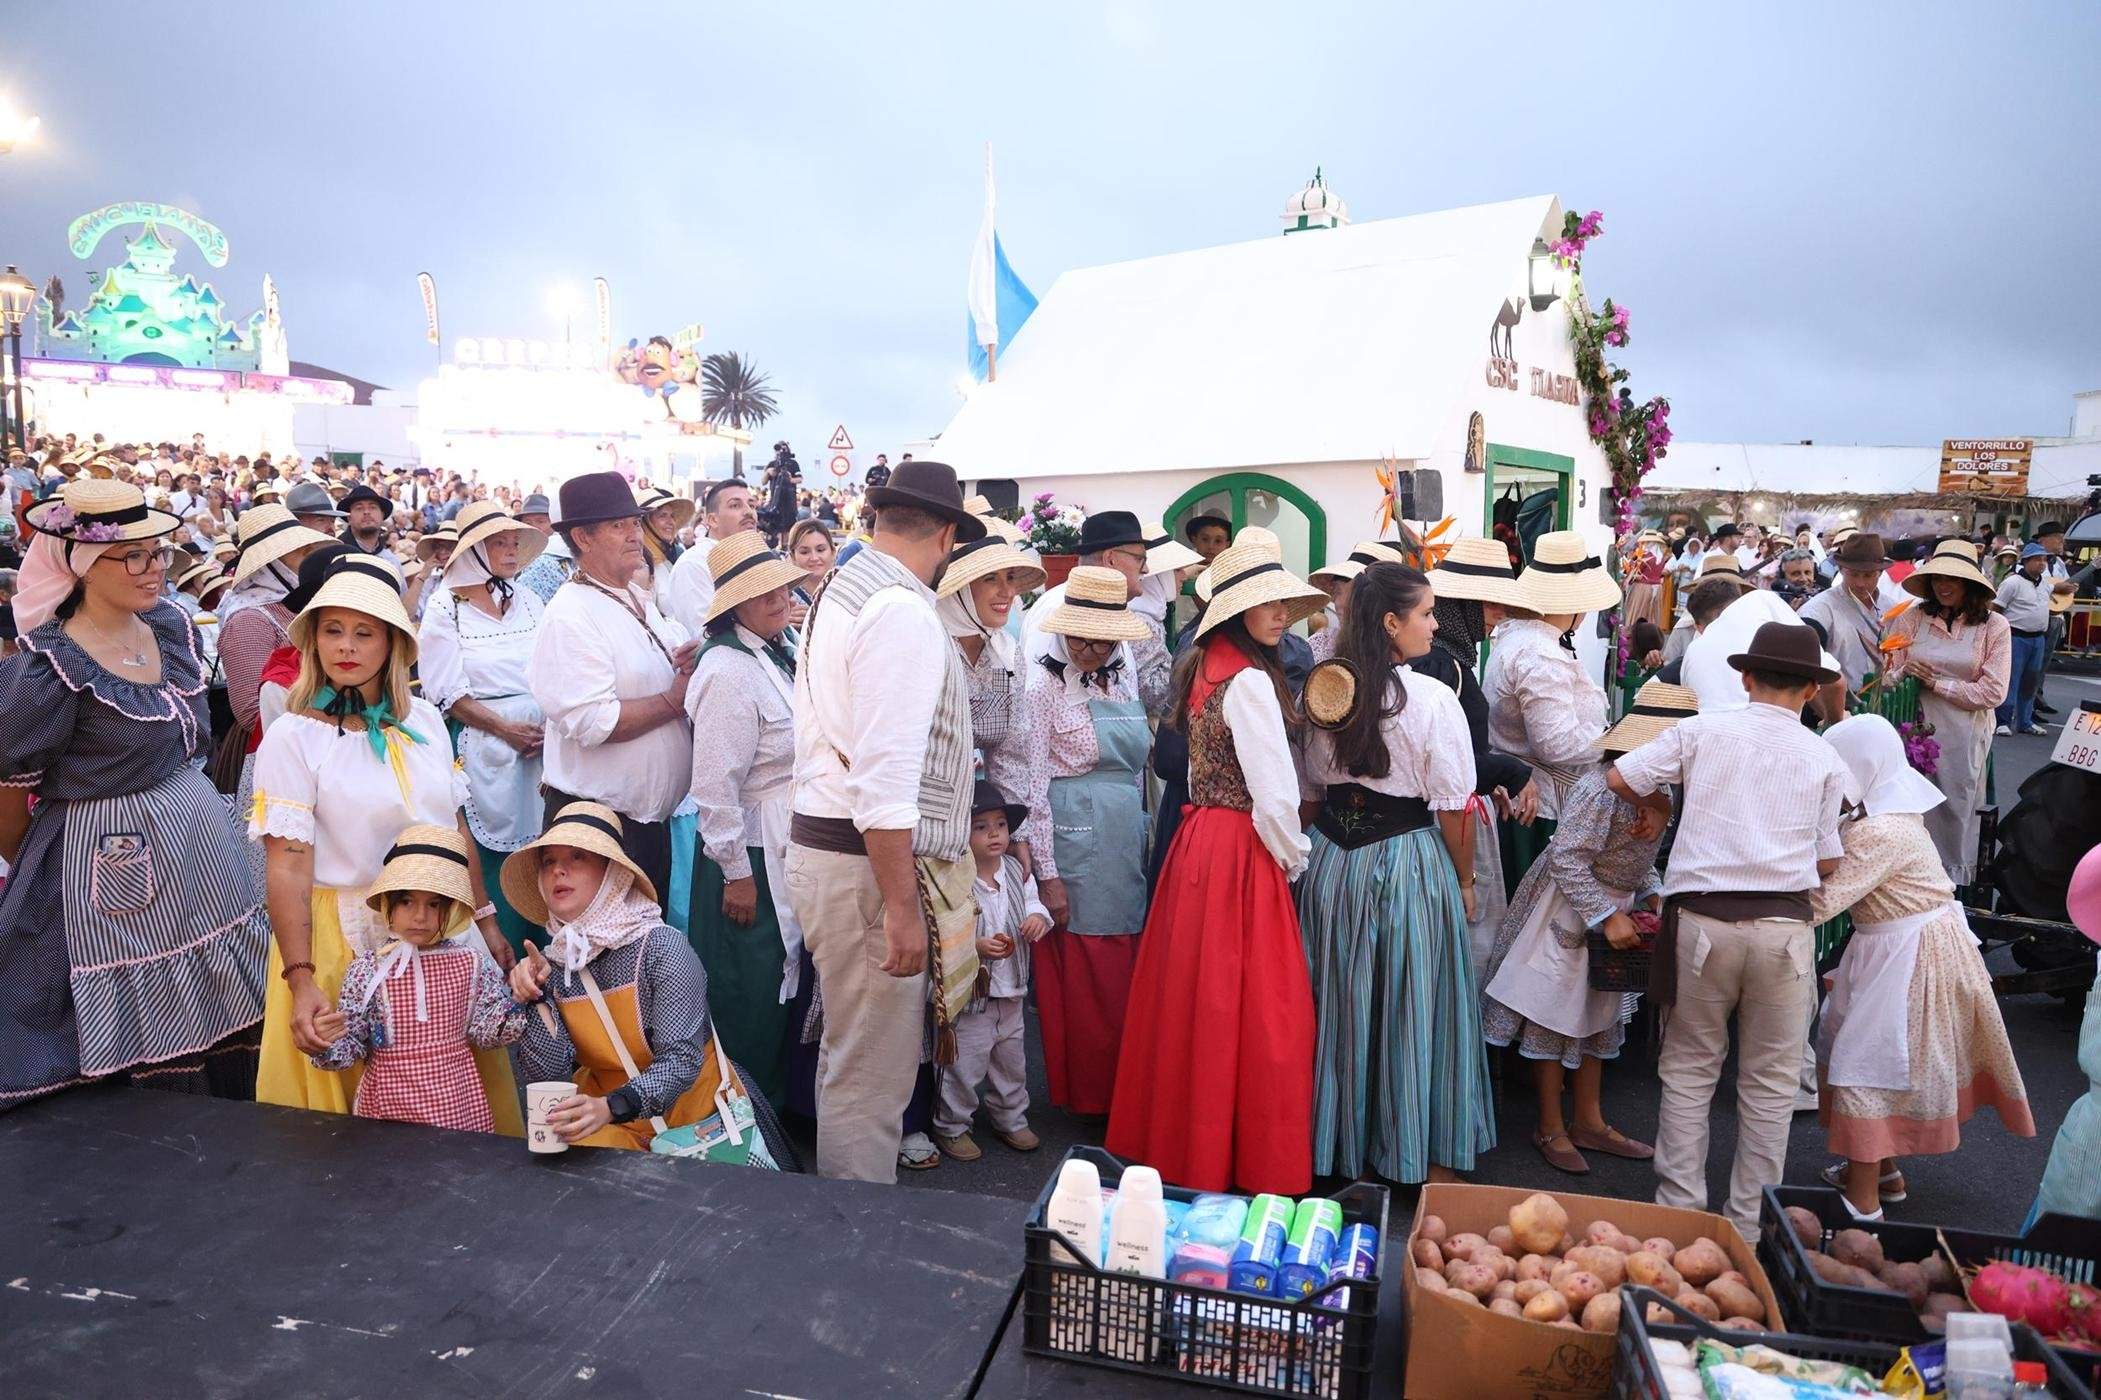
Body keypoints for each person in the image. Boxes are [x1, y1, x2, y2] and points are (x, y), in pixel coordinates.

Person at [0, 480, 269, 1110]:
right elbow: (8, 802)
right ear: (84, 566)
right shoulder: (49, 668)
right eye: (136, 557)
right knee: (131, 1013)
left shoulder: (169, 628)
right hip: (112, 863)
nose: (155, 571)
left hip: (202, 851)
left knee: (220, 994)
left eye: (160, 554)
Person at [249, 550, 520, 1124]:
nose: (346, 647)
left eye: (364, 633)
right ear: (314, 641)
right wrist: (300, 979)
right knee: (350, 1115)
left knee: (451, 1102)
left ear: (392, 644)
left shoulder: (423, 721)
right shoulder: (293, 738)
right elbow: (288, 864)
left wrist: (487, 923)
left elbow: (456, 832)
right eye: (333, 631)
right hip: (339, 937)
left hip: (440, 928)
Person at [1608, 621, 1849, 1236]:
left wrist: (1665, 805)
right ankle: (1744, 1227)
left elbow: (1620, 776)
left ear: (1745, 678)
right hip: (1784, 929)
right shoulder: (1823, 755)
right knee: (1769, 1085)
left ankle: (1680, 1214)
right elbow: (1826, 860)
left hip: (1704, 922)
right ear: (1809, 690)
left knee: (1690, 1068)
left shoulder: (1702, 730)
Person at [786, 461, 984, 1184]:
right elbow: (884, 783)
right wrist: (901, 908)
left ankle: (847, 1235)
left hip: (836, 849)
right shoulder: (898, 608)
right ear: (946, 533)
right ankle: (852, 1250)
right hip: (863, 864)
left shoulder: (846, 583)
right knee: (870, 1079)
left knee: (855, 1063)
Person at [1107, 539, 1324, 1195]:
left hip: (1199, 844)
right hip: (1237, 849)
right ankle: (1244, 1158)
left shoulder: (1205, 664)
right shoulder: (1252, 680)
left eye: (1281, 599)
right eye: (1265, 601)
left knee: (1193, 1003)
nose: (1280, 611)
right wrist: (1291, 860)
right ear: (1236, 609)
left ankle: (1184, 1145)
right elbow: (1275, 792)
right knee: (1253, 1009)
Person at [1296, 563, 1488, 1184]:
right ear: (1391, 622)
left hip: (1332, 864)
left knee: (1338, 1004)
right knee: (1414, 1004)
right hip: (1406, 863)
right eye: (1427, 613)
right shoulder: (1432, 698)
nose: (1435, 625)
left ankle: (1335, 1146)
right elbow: (1455, 806)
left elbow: (1312, 794)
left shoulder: (1325, 689)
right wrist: (1466, 880)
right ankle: (1416, 1153)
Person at [1805, 716, 2034, 1220]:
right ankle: (1883, 1172)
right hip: (1904, 946)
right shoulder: (1894, 815)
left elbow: (1820, 903)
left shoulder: (1879, 832)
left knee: (1869, 1063)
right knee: (1872, 1052)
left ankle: (1862, 1209)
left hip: (1908, 956)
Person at [1483, 679, 1699, 1174]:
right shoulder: (1598, 788)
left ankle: (1590, 1121)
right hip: (1568, 910)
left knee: (1598, 1016)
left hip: (1612, 907)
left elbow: (1633, 859)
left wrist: (1652, 894)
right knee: (1554, 1015)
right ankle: (1550, 1124)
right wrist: (1606, 914)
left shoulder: (1657, 791)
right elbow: (1567, 859)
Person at [504, 802, 794, 1162]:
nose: (558, 871)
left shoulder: (662, 946)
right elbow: (547, 1076)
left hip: (696, 1125)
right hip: (614, 1125)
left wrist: (611, 1106)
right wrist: (536, 1000)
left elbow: (681, 1061)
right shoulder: (557, 962)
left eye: (577, 857)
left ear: (612, 873)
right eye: (548, 862)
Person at [1018, 566, 1156, 1119]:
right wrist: (1047, 873)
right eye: (1080, 637)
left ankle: (1124, 1086)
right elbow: (1030, 784)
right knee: (1088, 969)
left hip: (1123, 831)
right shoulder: (1042, 688)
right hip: (1073, 835)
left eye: (1102, 639)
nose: (1091, 649)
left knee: (1122, 964)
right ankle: (1093, 1095)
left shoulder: (1122, 678)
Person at [528, 470, 698, 903]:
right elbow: (593, 721)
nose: (634, 535)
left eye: (635, 523)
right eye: (619, 525)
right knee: (599, 958)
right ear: (583, 538)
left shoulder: (633, 597)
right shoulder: (569, 614)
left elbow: (675, 651)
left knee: (641, 958)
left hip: (642, 826)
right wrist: (672, 701)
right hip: (596, 830)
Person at [683, 531, 807, 1108]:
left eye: (781, 587)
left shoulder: (774, 651)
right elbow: (715, 785)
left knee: (779, 986)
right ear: (734, 605)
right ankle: (741, 1117)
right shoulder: (728, 672)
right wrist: (735, 870)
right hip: (750, 851)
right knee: (749, 990)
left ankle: (775, 1111)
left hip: (784, 838)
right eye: (764, 595)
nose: (780, 599)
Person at [308, 823, 527, 1131]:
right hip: (387, 1107)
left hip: (456, 1104)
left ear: (449, 910)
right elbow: (355, 1043)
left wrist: (518, 999)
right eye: (407, 901)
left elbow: (486, 1034)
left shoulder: (470, 963)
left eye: (433, 904)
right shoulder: (367, 971)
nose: (420, 916)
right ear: (388, 905)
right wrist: (323, 1044)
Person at [418, 500, 550, 956]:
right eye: (499, 542)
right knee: (494, 854)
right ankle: (503, 953)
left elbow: (554, 669)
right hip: (483, 746)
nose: (511, 550)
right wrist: (506, 728)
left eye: (515, 541)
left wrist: (548, 725)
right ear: (473, 550)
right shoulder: (445, 608)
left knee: (546, 849)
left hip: (541, 748)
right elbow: (445, 693)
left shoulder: (528, 601)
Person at [1418, 535, 1540, 976]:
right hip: (1446, 824)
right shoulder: (1439, 664)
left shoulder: (1452, 660)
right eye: (1490, 606)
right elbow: (1446, 760)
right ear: (1463, 606)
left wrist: (1495, 778)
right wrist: (1514, 771)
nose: (1500, 615)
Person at [1482, 530, 1619, 887]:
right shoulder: (1539, 653)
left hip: (1528, 801)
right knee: (1534, 924)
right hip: (1538, 811)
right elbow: (1555, 744)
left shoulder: (1524, 638)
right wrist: (1615, 740)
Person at [934, 781, 1052, 1161]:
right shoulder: (957, 879)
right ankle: (952, 1125)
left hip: (1011, 991)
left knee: (1011, 1061)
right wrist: (977, 947)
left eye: (1000, 825)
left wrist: (1037, 918)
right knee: (964, 1065)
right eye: (981, 827)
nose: (994, 834)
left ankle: (1011, 1117)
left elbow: (1035, 905)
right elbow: (943, 930)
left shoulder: (1016, 871)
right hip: (974, 995)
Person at [1887, 540, 2009, 883]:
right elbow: (1887, 676)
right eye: (1938, 578)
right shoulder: (1912, 617)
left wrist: (1938, 685)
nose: (1943, 585)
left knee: (1957, 808)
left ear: (1969, 584)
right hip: (1914, 728)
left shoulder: (1994, 626)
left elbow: (1993, 691)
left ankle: (1951, 891)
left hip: (1965, 731)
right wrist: (1904, 674)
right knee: (1912, 808)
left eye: (1952, 579)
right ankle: (1911, 882)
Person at [936, 526, 1046, 832]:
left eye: (1009, 578)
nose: (1007, 592)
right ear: (960, 588)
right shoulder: (930, 646)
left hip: (981, 827)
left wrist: (1014, 833)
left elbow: (1010, 756)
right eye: (990, 579)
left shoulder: (1005, 655)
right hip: (923, 821)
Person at [1021, 511, 1173, 717]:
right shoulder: (1059, 609)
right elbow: (1035, 705)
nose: (1146, 569)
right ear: (1110, 559)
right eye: (1140, 559)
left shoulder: (1115, 610)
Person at [1799, 532, 1892, 718]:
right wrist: (1832, 717)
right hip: (1832, 712)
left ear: (1880, 573)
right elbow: (1803, 668)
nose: (1860, 583)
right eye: (1853, 574)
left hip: (1885, 709)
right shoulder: (1818, 611)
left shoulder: (1893, 609)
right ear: (1841, 569)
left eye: (1868, 575)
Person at [665, 477, 758, 636]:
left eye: (752, 505)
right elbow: (707, 635)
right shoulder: (694, 565)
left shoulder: (754, 559)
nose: (749, 512)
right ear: (712, 520)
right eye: (735, 505)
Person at [1994, 543, 2055, 737]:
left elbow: (2057, 589)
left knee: (2030, 681)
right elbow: (1996, 609)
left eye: (2044, 560)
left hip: (2037, 638)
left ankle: (2025, 721)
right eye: (2037, 559)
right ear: (2026, 561)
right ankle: (2002, 721)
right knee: (2011, 679)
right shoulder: (2012, 583)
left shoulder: (2044, 584)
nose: (2042, 563)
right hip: (2015, 636)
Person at [634, 484, 695, 618]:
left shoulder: (664, 558)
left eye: (672, 516)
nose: (671, 522)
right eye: (663, 516)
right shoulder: (638, 565)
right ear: (645, 522)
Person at [513, 492, 572, 602]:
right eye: (528, 522)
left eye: (540, 521)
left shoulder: (555, 553)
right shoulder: (516, 550)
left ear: (554, 523)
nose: (534, 527)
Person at [337, 482, 398, 562]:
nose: (366, 512)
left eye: (372, 507)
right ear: (349, 517)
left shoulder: (391, 559)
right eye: (359, 508)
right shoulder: (337, 555)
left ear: (382, 515)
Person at [786, 517, 836, 605]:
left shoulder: (849, 590)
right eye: (804, 552)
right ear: (793, 556)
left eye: (820, 550)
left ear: (833, 551)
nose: (814, 558)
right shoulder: (784, 598)